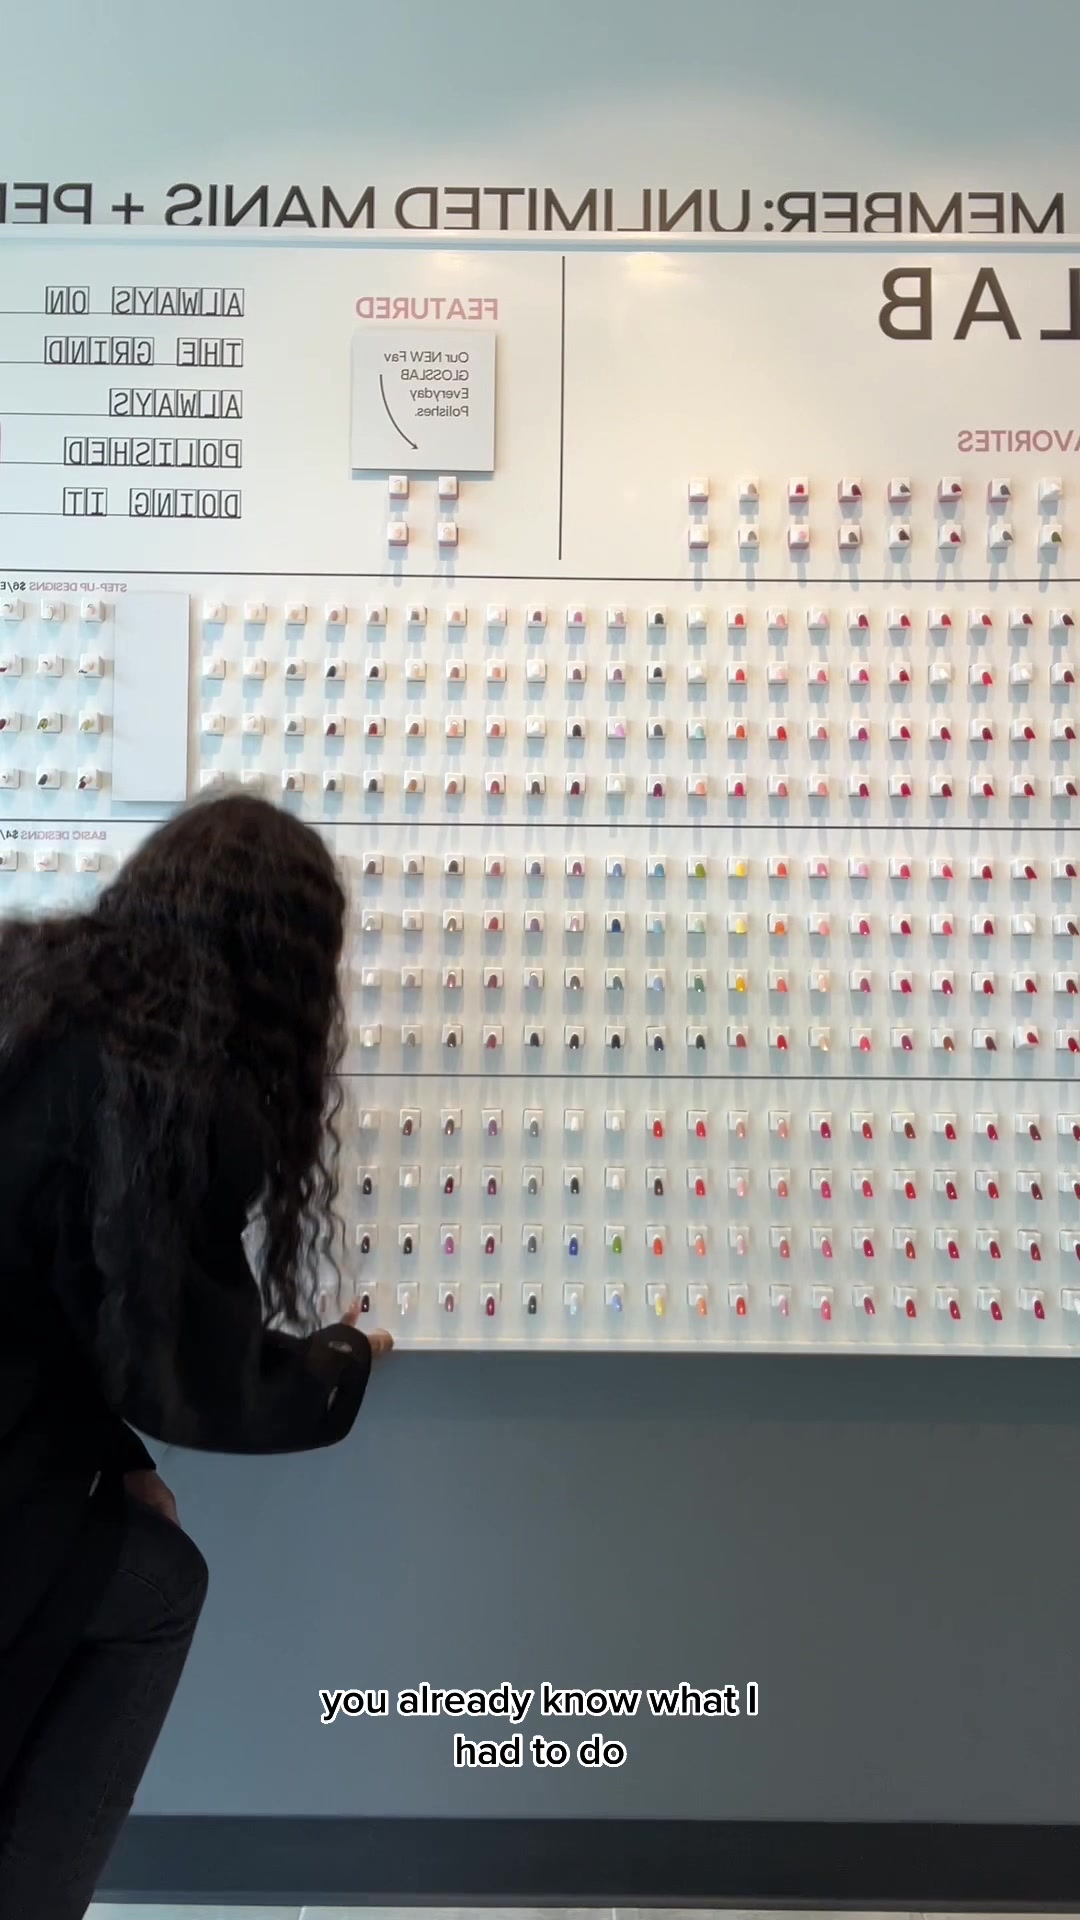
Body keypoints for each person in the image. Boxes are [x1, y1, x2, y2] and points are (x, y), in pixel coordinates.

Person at [0, 792, 392, 1919]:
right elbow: (183, 1370)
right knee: (161, 1585)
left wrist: (111, 1451)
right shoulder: (161, 1087)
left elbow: (48, 1299)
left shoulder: (30, 997)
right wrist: (338, 1364)